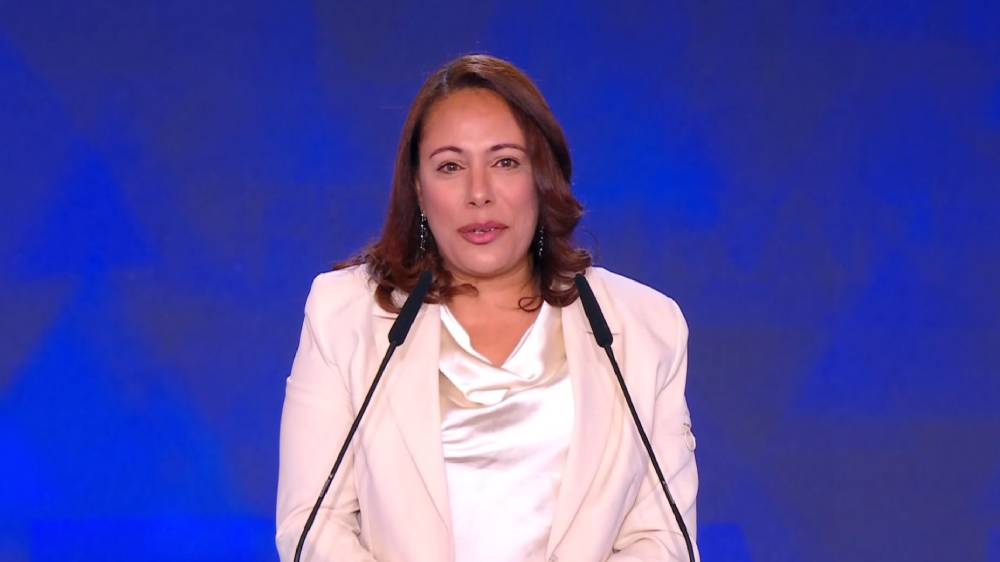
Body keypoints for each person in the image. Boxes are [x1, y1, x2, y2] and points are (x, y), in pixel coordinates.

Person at [276, 53, 699, 562]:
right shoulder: (345, 315)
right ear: (419, 188)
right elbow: (312, 527)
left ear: (542, 177)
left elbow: (663, 540)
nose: (479, 193)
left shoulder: (643, 326)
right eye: (450, 167)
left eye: (505, 162)